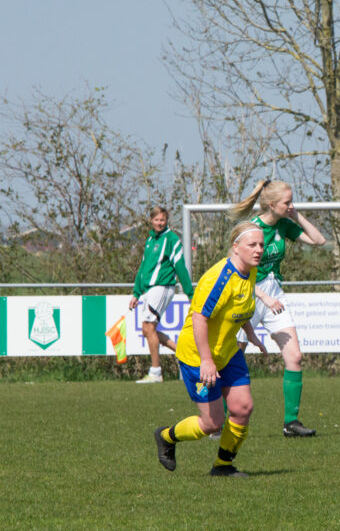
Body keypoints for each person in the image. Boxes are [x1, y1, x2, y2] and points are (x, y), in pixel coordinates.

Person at [153, 221, 269, 477]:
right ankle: (166, 436)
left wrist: (251, 335)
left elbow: (239, 307)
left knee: (242, 408)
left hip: (227, 352)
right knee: (211, 423)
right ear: (236, 247)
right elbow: (199, 318)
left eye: (261, 244)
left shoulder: (249, 270)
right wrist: (206, 360)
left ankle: (223, 467)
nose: (259, 249)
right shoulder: (219, 277)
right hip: (198, 356)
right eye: (252, 244)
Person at [228, 179, 327, 437]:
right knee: (229, 360)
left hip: (275, 295)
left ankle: (291, 423)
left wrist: (297, 215)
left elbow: (319, 241)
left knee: (295, 356)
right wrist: (262, 297)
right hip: (249, 294)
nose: (291, 205)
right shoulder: (251, 229)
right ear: (271, 205)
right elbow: (234, 270)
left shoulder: (285, 224)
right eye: (287, 202)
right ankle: (221, 418)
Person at [128, 206, 194, 383]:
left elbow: (180, 266)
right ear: (151, 220)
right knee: (148, 329)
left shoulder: (171, 239)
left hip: (162, 287)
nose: (159, 223)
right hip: (149, 289)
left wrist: (190, 293)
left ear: (167, 221)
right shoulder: (150, 239)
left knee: (148, 327)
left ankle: (156, 372)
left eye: (162, 220)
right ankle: (185, 353)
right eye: (156, 219)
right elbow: (143, 267)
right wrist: (136, 292)